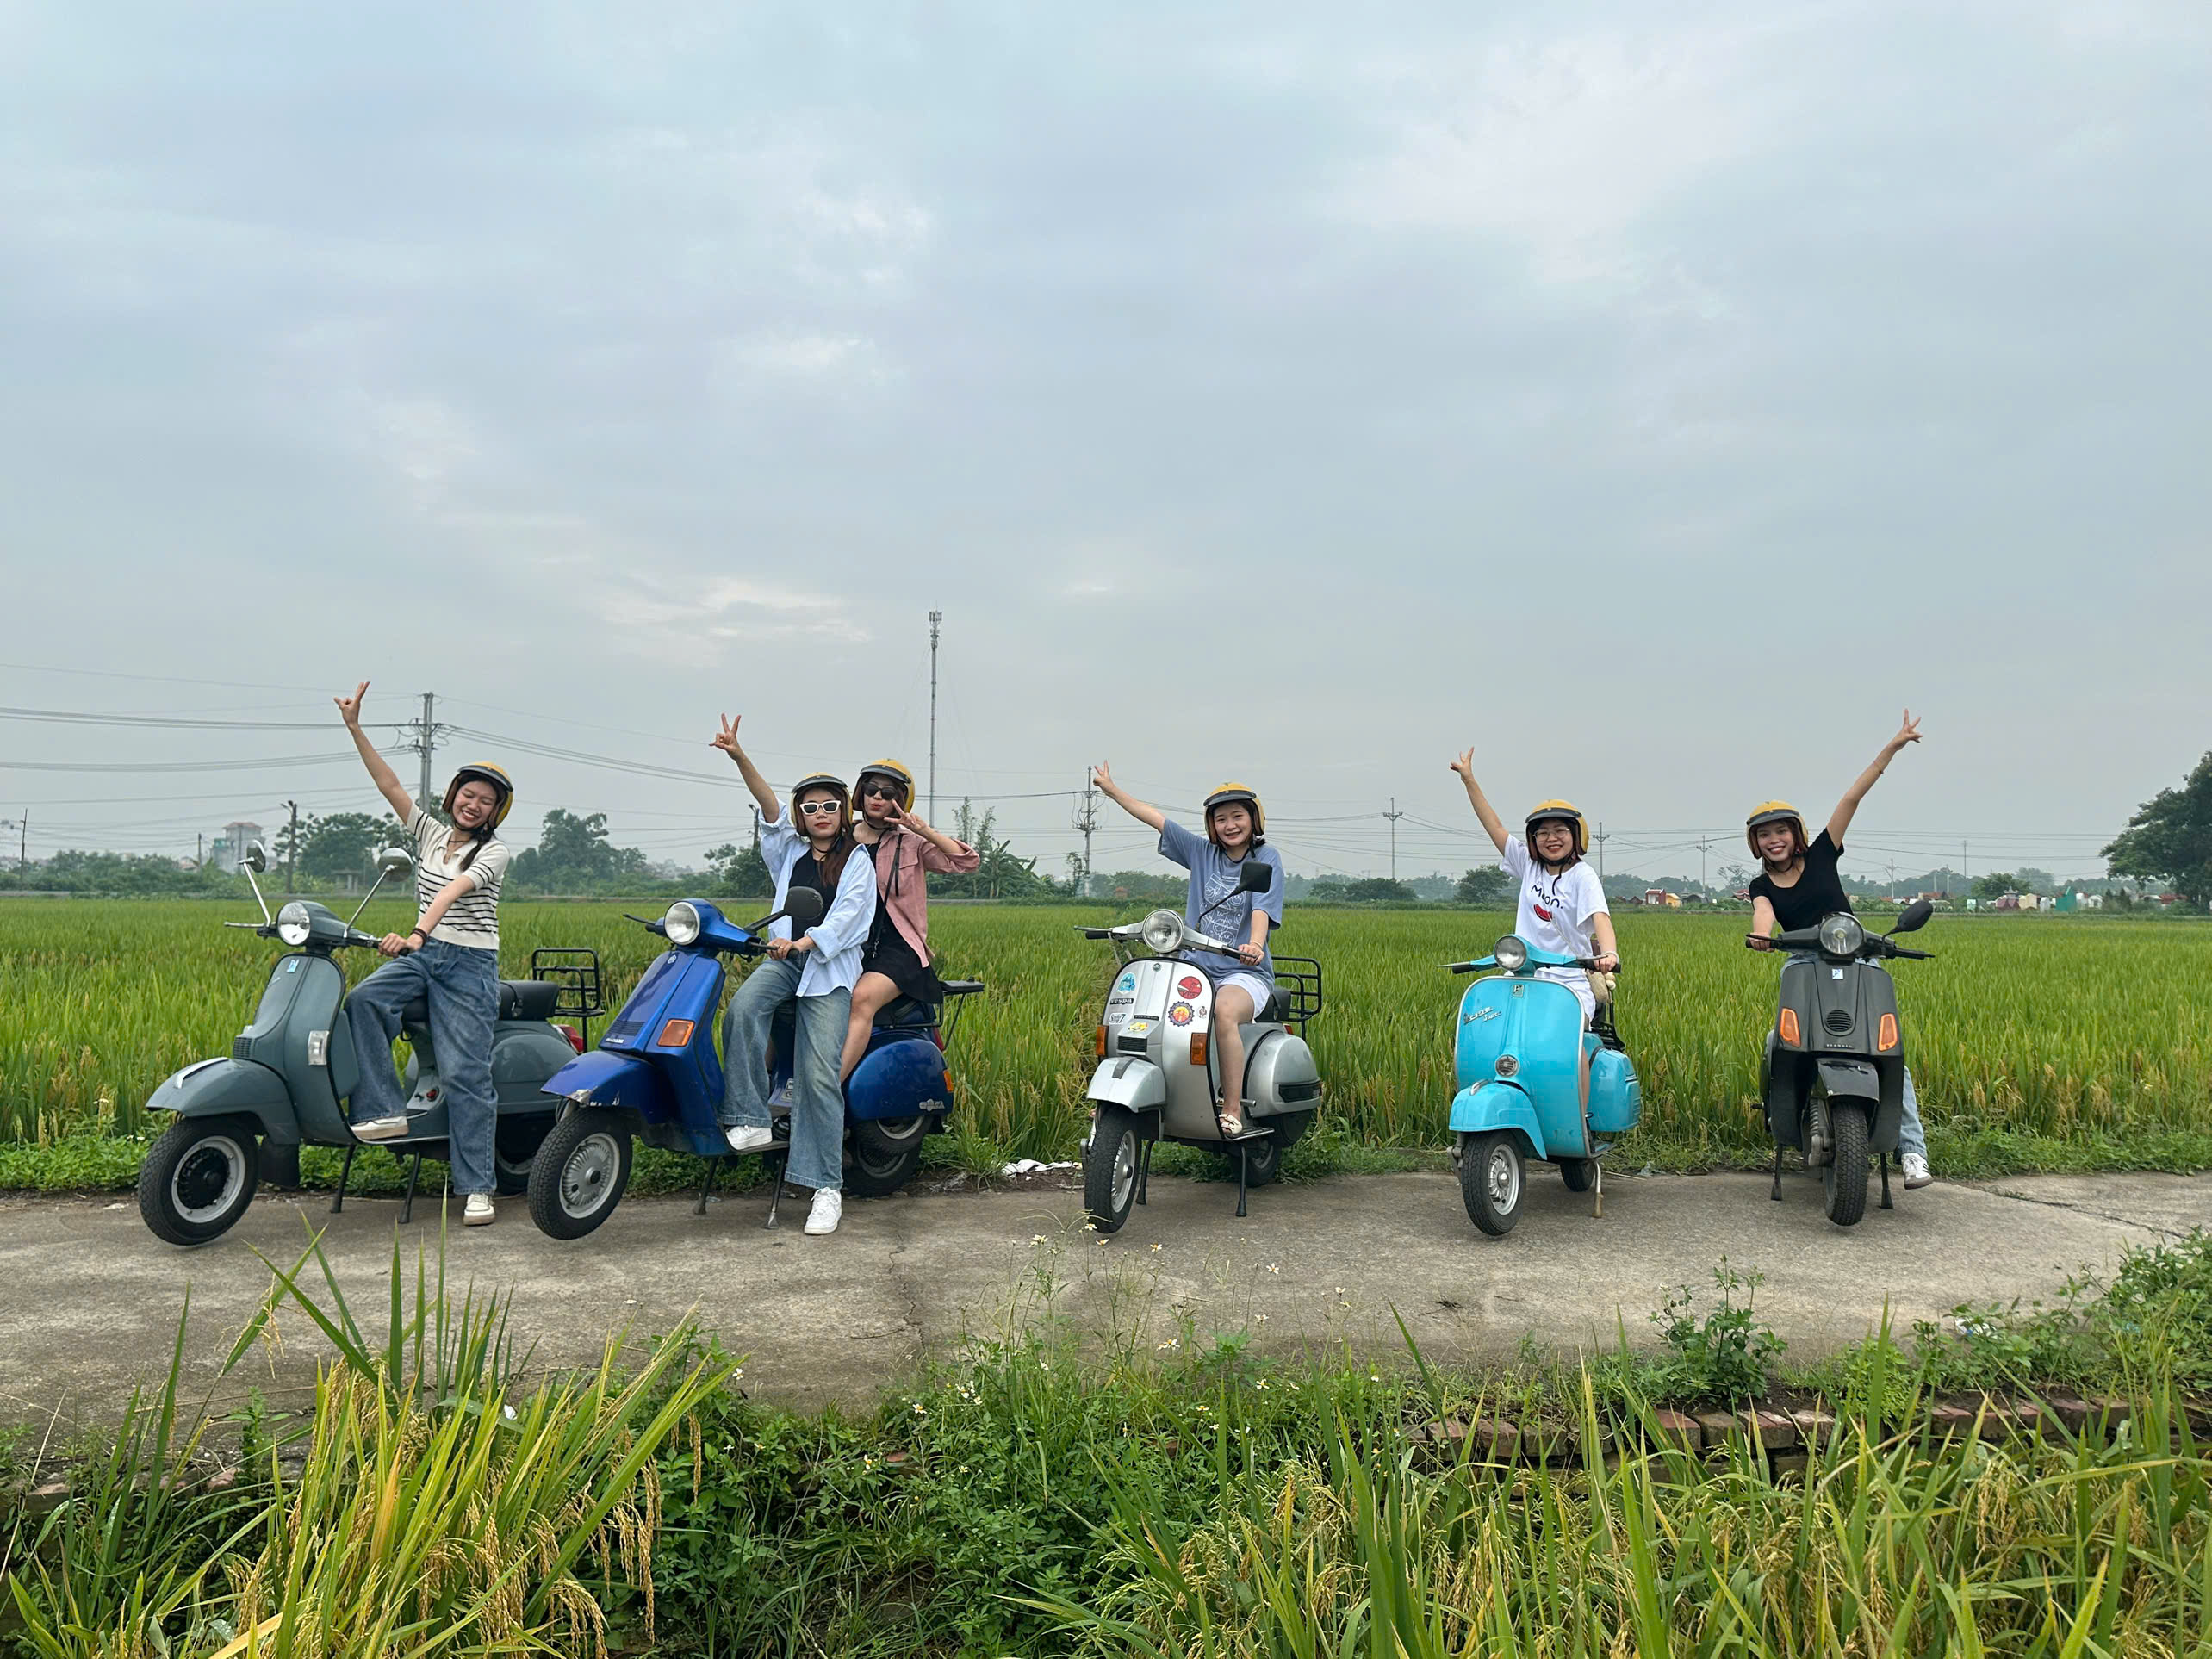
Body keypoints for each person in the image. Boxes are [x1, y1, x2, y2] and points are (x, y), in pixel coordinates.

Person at [333, 681, 513, 1227]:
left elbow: (454, 890)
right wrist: (355, 728)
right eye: (468, 792)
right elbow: (389, 784)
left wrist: (415, 932)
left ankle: (478, 1187)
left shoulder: (496, 852)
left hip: (468, 965)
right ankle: (383, 1111)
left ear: (494, 812)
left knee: (465, 1074)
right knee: (364, 1001)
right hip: (424, 955)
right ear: (453, 793)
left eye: (485, 800)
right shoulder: (430, 833)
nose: (472, 802)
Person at [1745, 710, 1933, 1189]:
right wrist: (1762, 935)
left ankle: (1913, 1153)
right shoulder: (1760, 883)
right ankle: (1786, 1119)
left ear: (1796, 833)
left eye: (1781, 831)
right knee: (1783, 1043)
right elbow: (1764, 914)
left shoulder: (1825, 851)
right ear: (1756, 844)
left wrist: (1893, 745)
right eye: (1765, 835)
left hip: (1855, 956)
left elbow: (1853, 794)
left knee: (1889, 1052)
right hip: (1804, 962)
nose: (1774, 840)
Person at [710, 714, 877, 1236]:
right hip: (782, 962)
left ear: (842, 812)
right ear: (802, 818)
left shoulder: (857, 861)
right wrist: (740, 757)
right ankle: (749, 1118)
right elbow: (768, 808)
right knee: (741, 1010)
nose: (821, 813)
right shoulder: (788, 851)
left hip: (827, 969)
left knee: (818, 1074)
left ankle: (825, 1187)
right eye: (811, 808)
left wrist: (805, 941)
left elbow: (851, 917)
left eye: (831, 806)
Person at [1090, 766, 1284, 1135]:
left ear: (1253, 818)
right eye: (1221, 818)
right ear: (1212, 825)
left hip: (1243, 972)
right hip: (1193, 967)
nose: (1230, 825)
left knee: (1224, 1012)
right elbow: (1157, 820)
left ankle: (1231, 1109)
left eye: (1238, 816)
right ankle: (1131, 1098)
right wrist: (1112, 790)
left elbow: (1261, 907)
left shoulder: (1266, 857)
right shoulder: (1200, 852)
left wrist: (1254, 946)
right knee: (1141, 1009)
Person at [1447, 751, 1620, 1022]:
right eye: (1543, 832)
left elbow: (1601, 919)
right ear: (1534, 838)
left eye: (1560, 830)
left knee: (1565, 1040)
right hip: (1521, 978)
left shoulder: (1582, 876)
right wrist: (1469, 780)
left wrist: (1609, 953)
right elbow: (1494, 825)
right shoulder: (1528, 864)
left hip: (1569, 982)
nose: (1551, 838)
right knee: (1482, 1024)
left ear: (1576, 835)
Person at [840, 759, 979, 1081]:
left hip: (897, 948)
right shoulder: (842, 839)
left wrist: (923, 831)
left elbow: (966, 862)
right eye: (872, 790)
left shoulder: (911, 842)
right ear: (860, 794)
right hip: (849, 943)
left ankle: (826, 1093)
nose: (878, 797)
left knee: (860, 1000)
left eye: (888, 793)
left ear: (900, 801)